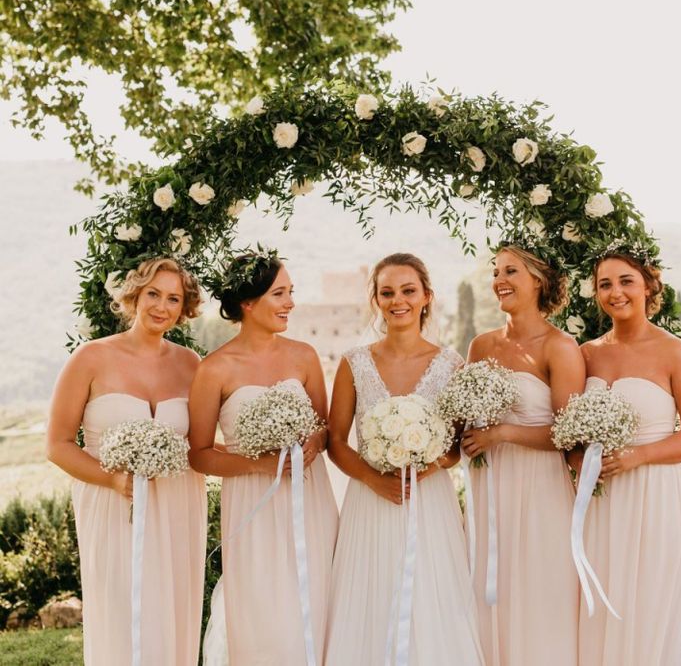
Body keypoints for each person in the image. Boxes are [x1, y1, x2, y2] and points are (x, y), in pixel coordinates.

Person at [325, 252, 484, 665]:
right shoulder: (354, 362)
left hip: (429, 501)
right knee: (369, 598)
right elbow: (336, 442)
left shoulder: (451, 364)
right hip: (369, 499)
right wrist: (374, 480)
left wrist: (425, 469)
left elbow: (454, 447)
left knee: (434, 602)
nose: (399, 300)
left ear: (427, 296)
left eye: (409, 291)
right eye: (387, 292)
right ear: (376, 300)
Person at [46, 257, 207, 665]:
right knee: (120, 611)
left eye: (174, 298)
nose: (162, 306)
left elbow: (202, 445)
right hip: (111, 504)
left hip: (177, 503)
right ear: (134, 295)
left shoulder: (191, 364)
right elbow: (59, 444)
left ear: (184, 307)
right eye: (153, 293)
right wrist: (113, 480)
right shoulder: (90, 358)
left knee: (172, 607)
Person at [188, 250, 338, 666]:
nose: (290, 302)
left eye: (291, 292)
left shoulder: (304, 355)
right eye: (279, 294)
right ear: (248, 303)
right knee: (264, 613)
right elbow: (199, 454)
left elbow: (324, 427)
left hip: (310, 499)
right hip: (252, 507)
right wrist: (258, 464)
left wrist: (315, 441)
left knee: (319, 597)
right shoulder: (213, 370)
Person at [573, 243, 681, 666]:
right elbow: (571, 429)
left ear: (649, 286)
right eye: (605, 284)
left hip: (656, 494)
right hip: (599, 500)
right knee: (598, 604)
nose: (616, 292)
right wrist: (579, 461)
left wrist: (637, 455)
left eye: (626, 281)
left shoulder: (674, 352)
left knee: (647, 607)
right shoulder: (587, 353)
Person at [460, 241, 583, 666]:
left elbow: (570, 434)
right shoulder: (480, 345)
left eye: (510, 271)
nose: (499, 281)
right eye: (496, 272)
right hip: (490, 484)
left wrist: (506, 433)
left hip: (540, 489)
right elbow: (466, 416)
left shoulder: (560, 347)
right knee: (488, 589)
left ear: (539, 279)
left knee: (538, 587)